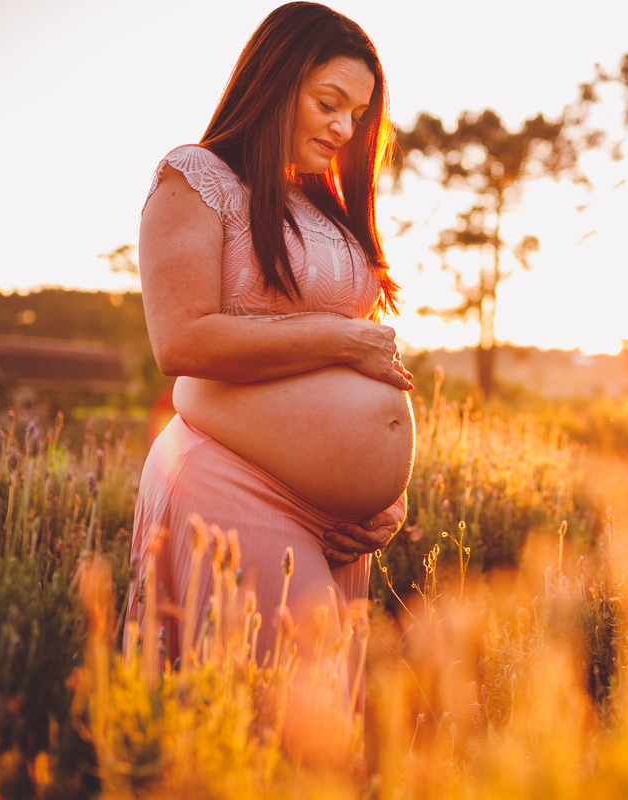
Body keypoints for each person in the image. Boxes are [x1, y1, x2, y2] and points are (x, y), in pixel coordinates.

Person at [125, 1, 414, 755]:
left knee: (318, 717)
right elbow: (182, 340)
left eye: (358, 114)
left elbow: (370, 370)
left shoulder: (325, 206)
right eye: (329, 104)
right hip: (231, 481)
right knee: (290, 707)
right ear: (277, 78)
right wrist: (340, 340)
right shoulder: (198, 177)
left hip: (334, 522)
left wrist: (385, 494)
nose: (345, 131)